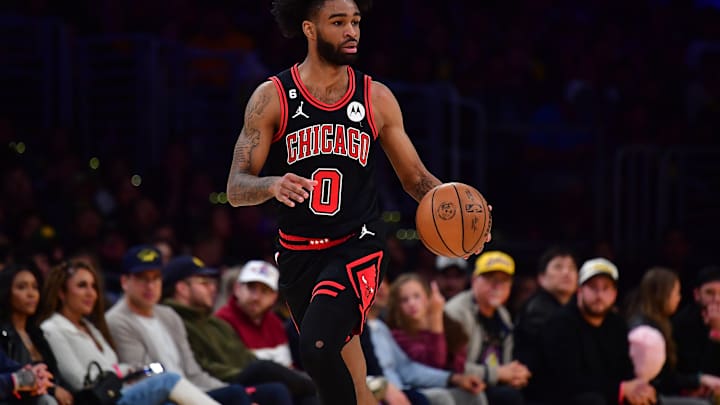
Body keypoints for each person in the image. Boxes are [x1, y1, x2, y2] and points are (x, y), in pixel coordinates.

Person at [225, 0, 488, 403]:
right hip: (298, 254)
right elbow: (236, 186)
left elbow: (416, 179)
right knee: (352, 377)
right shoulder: (272, 97)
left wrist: (463, 215)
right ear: (309, 29)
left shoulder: (375, 97)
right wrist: (272, 185)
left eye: (355, 22)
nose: (351, 31)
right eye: (338, 22)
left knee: (317, 346)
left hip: (357, 244)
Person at [105, 245, 290, 405]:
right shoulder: (117, 320)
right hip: (162, 397)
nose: (150, 285)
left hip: (192, 389)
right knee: (239, 393)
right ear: (124, 281)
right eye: (142, 278)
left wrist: (233, 390)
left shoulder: (168, 315)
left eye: (155, 278)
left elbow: (193, 372)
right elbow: (143, 378)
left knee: (268, 392)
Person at [38, 260, 221, 405]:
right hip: (103, 400)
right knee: (168, 380)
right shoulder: (52, 329)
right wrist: (119, 373)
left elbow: (113, 365)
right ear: (62, 292)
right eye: (82, 286)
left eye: (93, 286)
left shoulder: (89, 327)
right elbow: (78, 380)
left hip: (119, 390)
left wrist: (132, 370)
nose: (91, 293)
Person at [162, 255, 319, 405]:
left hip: (239, 378)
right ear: (182, 288)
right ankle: (319, 385)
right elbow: (200, 365)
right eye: (204, 283)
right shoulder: (176, 320)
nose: (212, 288)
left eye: (265, 291)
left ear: (274, 296)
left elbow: (245, 356)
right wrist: (240, 372)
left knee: (300, 394)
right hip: (220, 381)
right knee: (266, 373)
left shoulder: (215, 323)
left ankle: (317, 387)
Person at [537, 258, 656, 405]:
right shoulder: (560, 323)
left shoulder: (617, 324)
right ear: (579, 290)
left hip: (608, 394)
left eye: (606, 288)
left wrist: (637, 388)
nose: (599, 295)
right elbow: (568, 380)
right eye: (593, 288)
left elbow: (625, 368)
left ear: (614, 293)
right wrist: (620, 389)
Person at [370, 278, 485, 405]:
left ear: (428, 298)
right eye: (404, 300)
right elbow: (435, 363)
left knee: (474, 395)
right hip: (403, 390)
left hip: (409, 389)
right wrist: (436, 318)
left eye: (416, 296)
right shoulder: (398, 334)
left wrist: (453, 378)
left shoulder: (380, 328)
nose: (412, 303)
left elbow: (406, 368)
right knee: (441, 398)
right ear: (397, 306)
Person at [445, 251, 529, 405]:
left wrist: (515, 375)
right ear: (474, 280)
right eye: (490, 279)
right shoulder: (456, 312)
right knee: (508, 397)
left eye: (504, 280)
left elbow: (505, 365)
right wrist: (497, 374)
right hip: (462, 384)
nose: (497, 286)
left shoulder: (502, 314)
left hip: (490, 382)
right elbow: (450, 366)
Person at [627, 267, 718, 404]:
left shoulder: (662, 322)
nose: (679, 298)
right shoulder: (648, 332)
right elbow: (663, 378)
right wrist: (698, 380)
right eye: (676, 293)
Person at [0, 264, 74, 405]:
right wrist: (51, 389)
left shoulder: (37, 334)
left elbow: (55, 375)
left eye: (35, 287)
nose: (31, 294)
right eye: (22, 287)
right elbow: (13, 374)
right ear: (6, 292)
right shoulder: (3, 335)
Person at [513, 246, 577, 400]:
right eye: (558, 267)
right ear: (541, 278)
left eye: (572, 268)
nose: (566, 272)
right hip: (540, 390)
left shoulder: (576, 309)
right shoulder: (537, 309)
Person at [215, 260, 292, 367]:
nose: (256, 297)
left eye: (264, 291)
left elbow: (288, 366)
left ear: (274, 297)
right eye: (251, 288)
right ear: (237, 288)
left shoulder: (275, 323)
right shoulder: (221, 322)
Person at [674, 266, 720, 391]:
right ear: (697, 295)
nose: (717, 299)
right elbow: (699, 371)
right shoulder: (683, 322)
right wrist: (715, 332)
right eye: (709, 293)